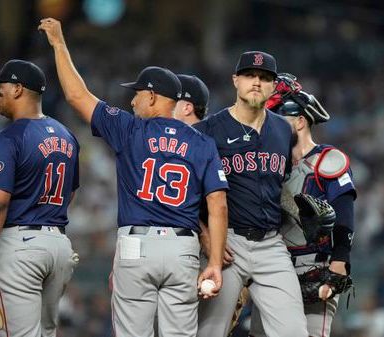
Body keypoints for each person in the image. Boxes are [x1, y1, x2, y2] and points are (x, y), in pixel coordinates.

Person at [39, 18, 229, 337]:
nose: (132, 100)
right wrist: (213, 260)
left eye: (137, 94)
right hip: (182, 249)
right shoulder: (202, 142)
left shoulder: (130, 129)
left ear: (153, 97)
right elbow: (218, 205)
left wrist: (59, 44)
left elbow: (76, 96)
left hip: (136, 246)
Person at [194, 51, 308, 337]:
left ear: (273, 86)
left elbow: (280, 186)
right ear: (236, 80)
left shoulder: (284, 130)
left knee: (293, 330)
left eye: (265, 77)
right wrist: (206, 236)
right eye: (250, 75)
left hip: (271, 244)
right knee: (209, 331)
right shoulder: (207, 131)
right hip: (227, 243)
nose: (257, 82)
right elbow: (188, 194)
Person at [0, 59, 80, 337]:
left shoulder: (10, 136)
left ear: (17, 89)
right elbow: (70, 192)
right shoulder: (67, 135)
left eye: (1, 87)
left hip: (21, 246)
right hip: (59, 245)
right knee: (47, 332)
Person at [249, 79, 356, 337]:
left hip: (314, 264)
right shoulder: (272, 164)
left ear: (300, 121)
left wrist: (340, 259)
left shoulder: (327, 160)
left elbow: (344, 212)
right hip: (272, 263)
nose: (271, 126)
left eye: (278, 119)